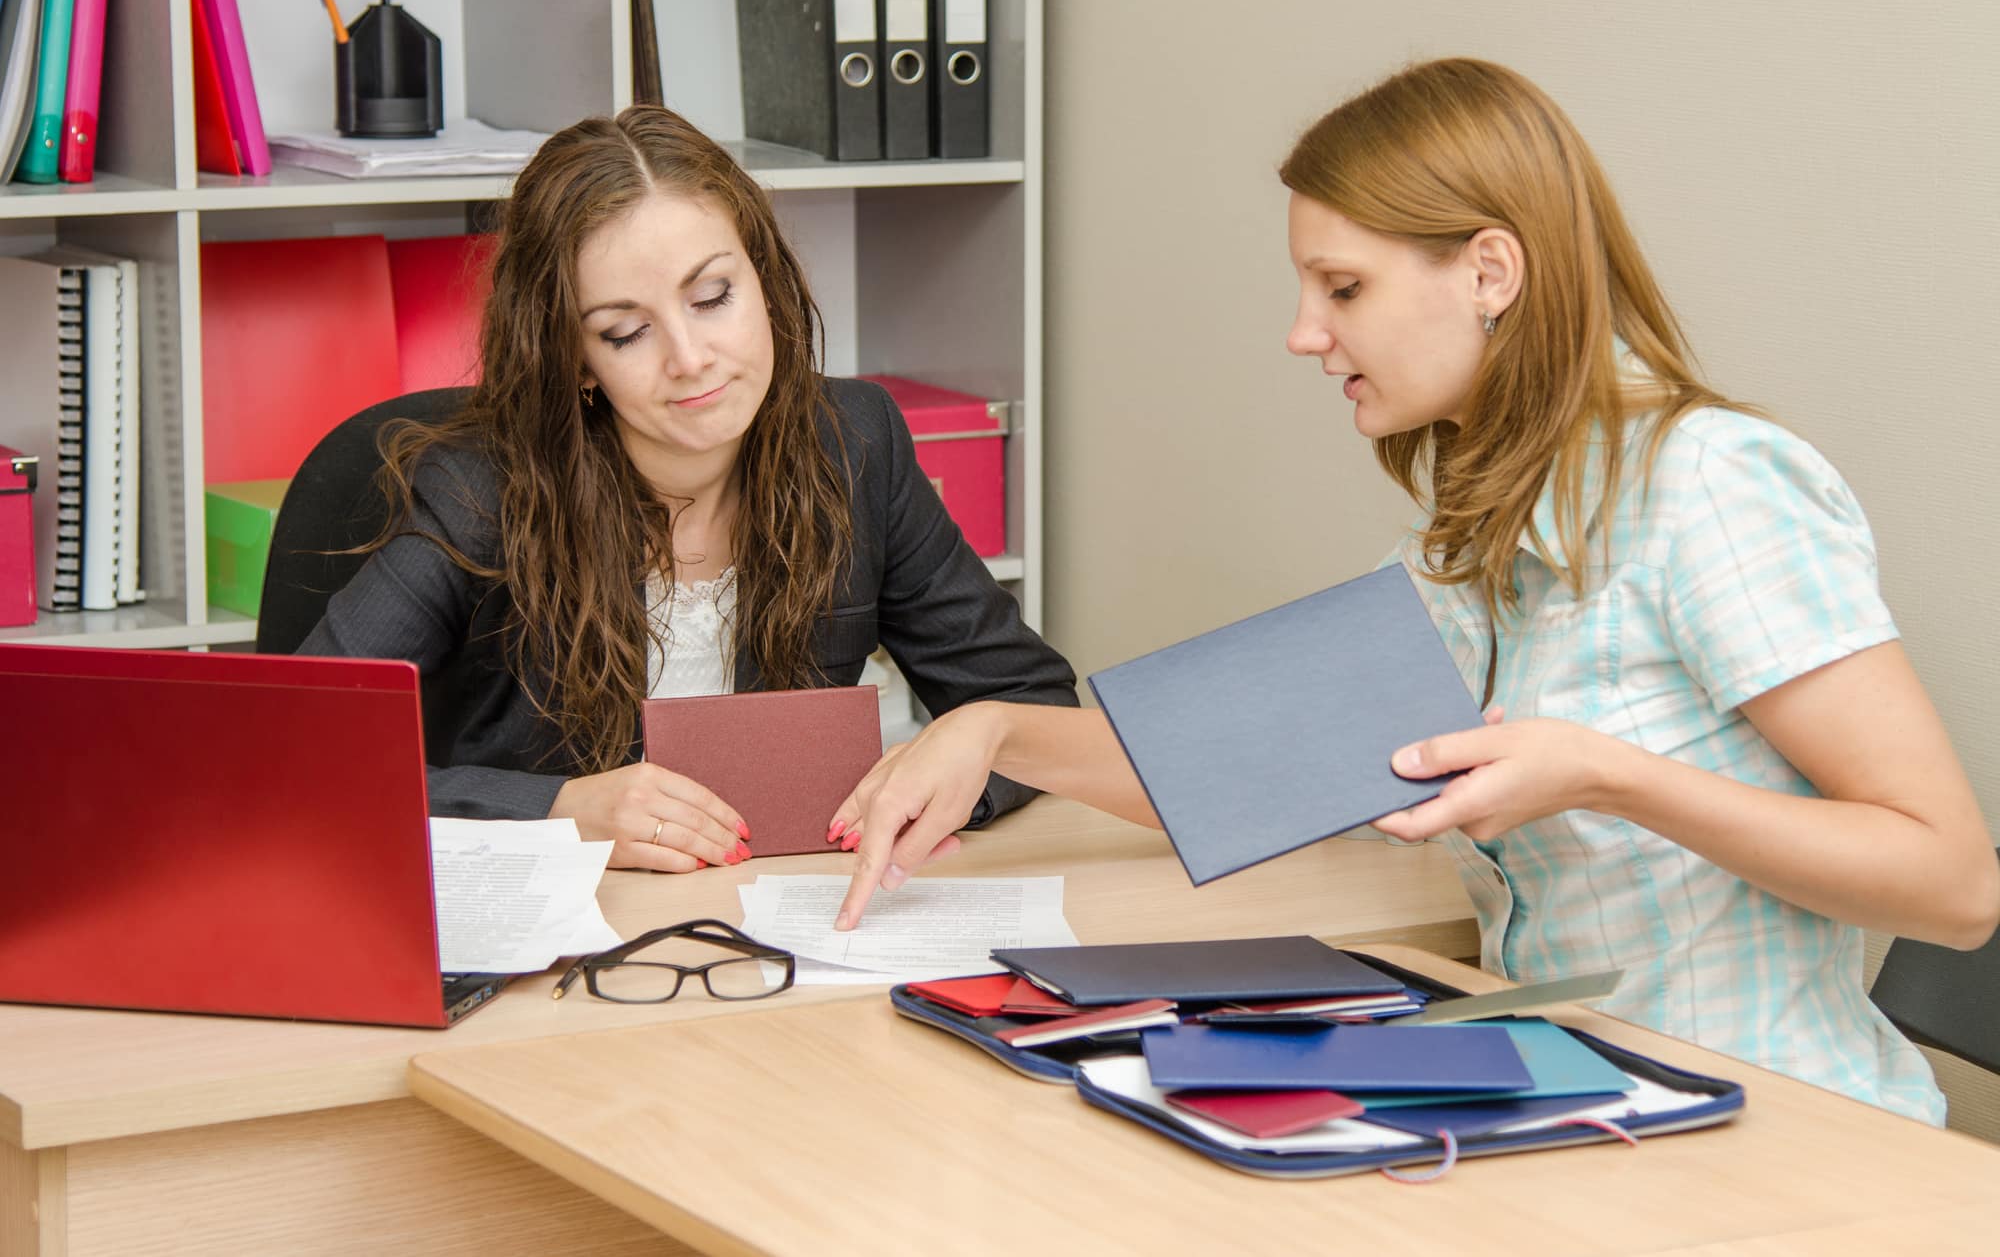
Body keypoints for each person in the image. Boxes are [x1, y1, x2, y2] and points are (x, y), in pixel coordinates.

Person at [829, 58, 1998, 1123]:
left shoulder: (1709, 486)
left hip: (1781, 1127)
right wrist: (987, 729)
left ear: (1488, 270)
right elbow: (1230, 762)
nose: (1301, 333)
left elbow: (1949, 884)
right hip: (1581, 1104)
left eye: (1340, 287)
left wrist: (1606, 774)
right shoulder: (1461, 545)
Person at [299, 105, 1077, 872]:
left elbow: (1032, 704)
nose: (690, 357)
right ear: (575, 359)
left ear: (764, 281)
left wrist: (948, 778)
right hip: (565, 950)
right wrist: (557, 810)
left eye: (711, 298)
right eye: (625, 332)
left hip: (785, 920)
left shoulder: (855, 444)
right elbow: (297, 747)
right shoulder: (480, 491)